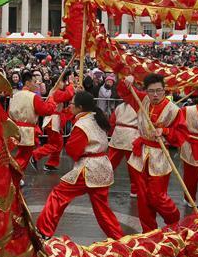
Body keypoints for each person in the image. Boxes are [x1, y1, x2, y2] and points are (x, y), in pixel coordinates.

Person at [36, 91, 124, 240]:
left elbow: (73, 151)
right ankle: (119, 238)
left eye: (72, 103)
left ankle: (44, 230)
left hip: (88, 168)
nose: (70, 105)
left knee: (59, 194)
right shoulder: (96, 118)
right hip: (103, 166)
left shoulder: (82, 125)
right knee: (102, 209)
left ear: (80, 107)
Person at [117, 73, 183, 231]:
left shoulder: (173, 110)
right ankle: (149, 231)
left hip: (159, 156)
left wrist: (165, 131)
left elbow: (181, 135)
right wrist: (128, 81)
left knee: (157, 196)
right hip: (139, 156)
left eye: (159, 91)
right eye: (151, 91)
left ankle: (173, 219)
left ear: (164, 90)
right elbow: (124, 92)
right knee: (142, 197)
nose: (155, 95)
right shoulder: (141, 100)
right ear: (146, 91)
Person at [9, 74, 57, 171]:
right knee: (23, 157)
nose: (36, 85)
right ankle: (13, 178)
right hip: (27, 132)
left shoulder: (14, 95)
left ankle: (14, 178)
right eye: (34, 82)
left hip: (14, 129)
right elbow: (46, 110)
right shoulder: (33, 97)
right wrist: (51, 99)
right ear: (27, 83)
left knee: (20, 155)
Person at [31, 72, 74, 172]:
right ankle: (35, 155)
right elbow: (68, 95)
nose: (65, 84)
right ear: (58, 83)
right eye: (63, 82)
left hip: (54, 120)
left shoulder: (53, 91)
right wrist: (71, 84)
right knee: (56, 144)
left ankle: (51, 163)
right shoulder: (56, 92)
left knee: (57, 143)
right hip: (53, 121)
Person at [108, 99, 140, 198]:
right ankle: (135, 190)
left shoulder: (119, 106)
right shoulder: (140, 106)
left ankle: (99, 183)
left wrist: (113, 132)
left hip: (118, 135)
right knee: (133, 166)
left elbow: (112, 122)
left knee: (109, 163)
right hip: (132, 136)